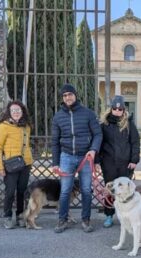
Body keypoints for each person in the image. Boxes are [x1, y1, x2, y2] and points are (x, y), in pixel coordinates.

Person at [51, 84, 102, 233]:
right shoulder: (58, 116)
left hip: (85, 157)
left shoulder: (88, 113)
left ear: (75, 95)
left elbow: (97, 134)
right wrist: (55, 163)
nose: (68, 97)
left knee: (86, 190)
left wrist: (93, 151)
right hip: (66, 156)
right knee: (65, 190)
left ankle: (86, 220)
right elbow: (55, 141)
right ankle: (62, 220)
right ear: (62, 98)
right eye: (65, 95)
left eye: (70, 94)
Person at [97, 96, 140, 228]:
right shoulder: (104, 125)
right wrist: (97, 161)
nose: (117, 111)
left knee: (125, 191)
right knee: (110, 190)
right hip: (108, 163)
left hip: (125, 163)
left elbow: (135, 143)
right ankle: (109, 215)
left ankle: (126, 217)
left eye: (119, 109)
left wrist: (134, 160)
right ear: (111, 109)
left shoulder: (129, 124)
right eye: (114, 108)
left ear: (123, 110)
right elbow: (99, 143)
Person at [0, 101, 34, 229]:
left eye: (18, 110)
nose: (16, 112)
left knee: (22, 191)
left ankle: (21, 215)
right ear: (9, 112)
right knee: (10, 192)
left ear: (22, 112)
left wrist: (29, 160)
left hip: (25, 164)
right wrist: (0, 167)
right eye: (13, 110)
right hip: (11, 165)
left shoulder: (26, 126)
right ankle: (7, 216)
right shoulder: (3, 127)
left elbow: (26, 145)